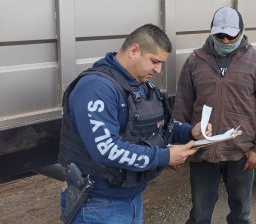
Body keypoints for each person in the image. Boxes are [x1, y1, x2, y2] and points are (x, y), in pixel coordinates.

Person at [58, 24, 209, 224]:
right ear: (134, 50)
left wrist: (191, 133)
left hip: (130, 199)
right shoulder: (96, 89)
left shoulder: (140, 86)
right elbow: (106, 149)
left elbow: (159, 127)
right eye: (155, 61)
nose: (159, 69)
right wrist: (165, 156)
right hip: (97, 205)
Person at [173, 6, 256, 224]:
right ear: (211, 32)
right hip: (203, 152)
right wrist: (177, 145)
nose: (226, 40)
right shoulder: (195, 61)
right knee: (199, 214)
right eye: (220, 35)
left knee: (240, 214)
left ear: (241, 31)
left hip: (240, 153)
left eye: (231, 35)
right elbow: (181, 106)